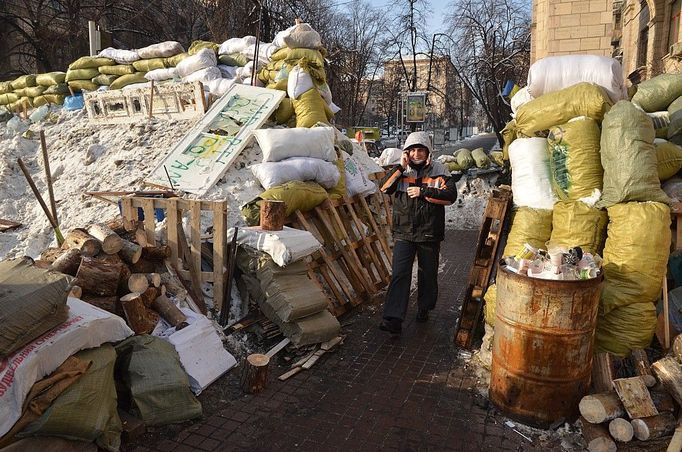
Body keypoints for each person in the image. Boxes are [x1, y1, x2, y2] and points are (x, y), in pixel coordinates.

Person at [378, 131, 458, 334]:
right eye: (412, 150)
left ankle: (424, 307)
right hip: (404, 232)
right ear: (406, 152)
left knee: (428, 274)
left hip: (429, 231)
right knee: (400, 274)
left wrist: (424, 192)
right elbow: (384, 188)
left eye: (420, 150)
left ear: (427, 152)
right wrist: (400, 166)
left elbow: (450, 196)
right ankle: (393, 319)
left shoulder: (439, 169)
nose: (416, 154)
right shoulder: (401, 171)